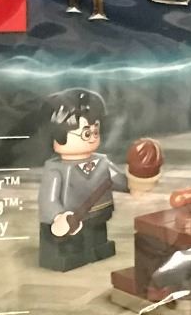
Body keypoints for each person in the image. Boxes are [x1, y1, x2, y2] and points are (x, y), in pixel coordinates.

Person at [37, 89, 125, 271]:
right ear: (57, 135)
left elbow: (118, 180)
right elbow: (48, 199)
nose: (92, 137)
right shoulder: (56, 169)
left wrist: (137, 182)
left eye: (95, 131)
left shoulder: (102, 161)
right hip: (71, 218)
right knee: (72, 245)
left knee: (97, 236)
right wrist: (58, 216)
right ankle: (71, 255)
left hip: (98, 212)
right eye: (86, 133)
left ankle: (97, 249)